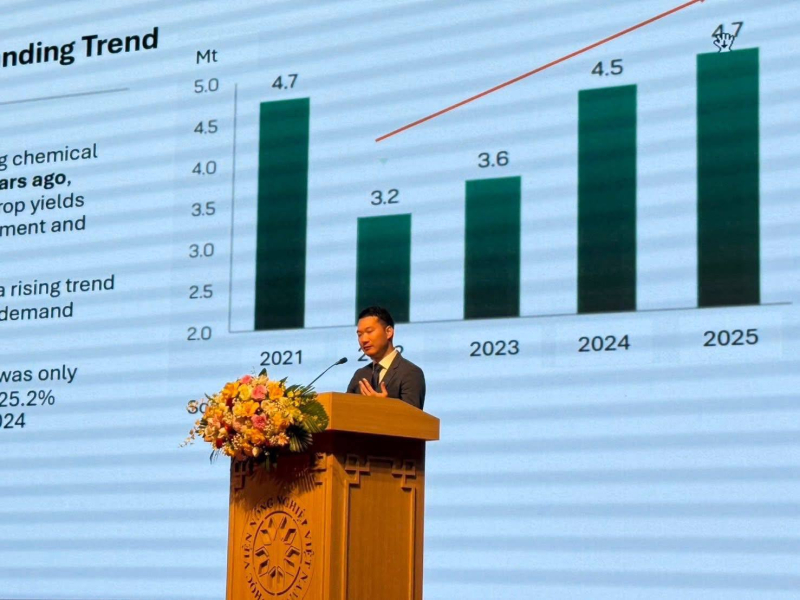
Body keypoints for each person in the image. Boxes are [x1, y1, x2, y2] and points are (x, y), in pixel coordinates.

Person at [346, 306, 426, 409]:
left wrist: (384, 406)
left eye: (369, 331)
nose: (364, 339)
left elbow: (413, 416)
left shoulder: (410, 373)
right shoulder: (360, 375)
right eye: (360, 334)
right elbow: (343, 410)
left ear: (388, 332)